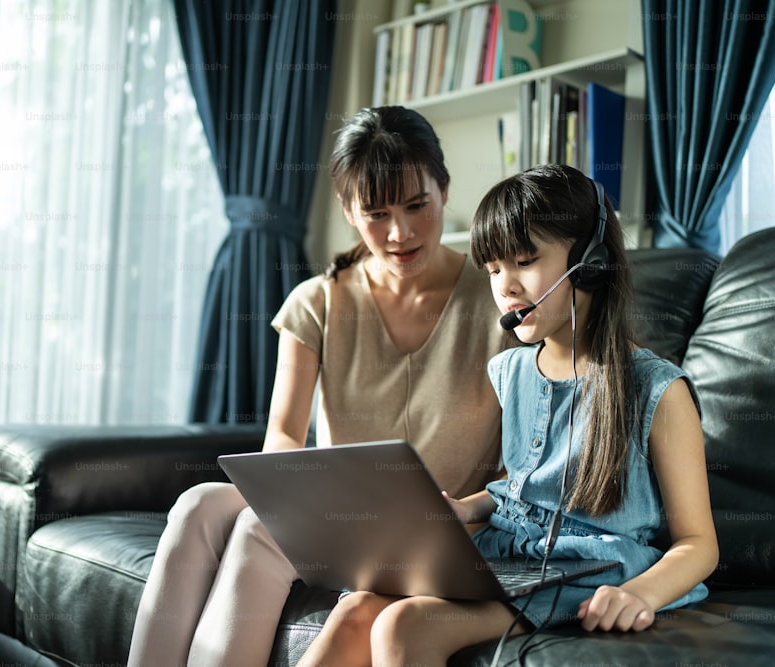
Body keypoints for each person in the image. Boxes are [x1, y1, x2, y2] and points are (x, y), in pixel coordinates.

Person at [126, 106, 510, 667]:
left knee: (258, 526)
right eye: (376, 213)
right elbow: (282, 434)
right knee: (196, 506)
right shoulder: (318, 301)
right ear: (347, 209)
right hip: (339, 508)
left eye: (416, 206)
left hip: (440, 522)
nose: (399, 233)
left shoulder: (499, 298)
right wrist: (303, 492)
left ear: (444, 191)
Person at [296, 164, 720, 667]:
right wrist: (467, 509)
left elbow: (698, 543)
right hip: (511, 556)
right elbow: (519, 488)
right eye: (494, 269)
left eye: (524, 261)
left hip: (589, 569)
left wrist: (643, 594)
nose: (506, 286)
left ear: (590, 261)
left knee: (403, 625)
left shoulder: (656, 389)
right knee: (357, 608)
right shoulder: (510, 371)